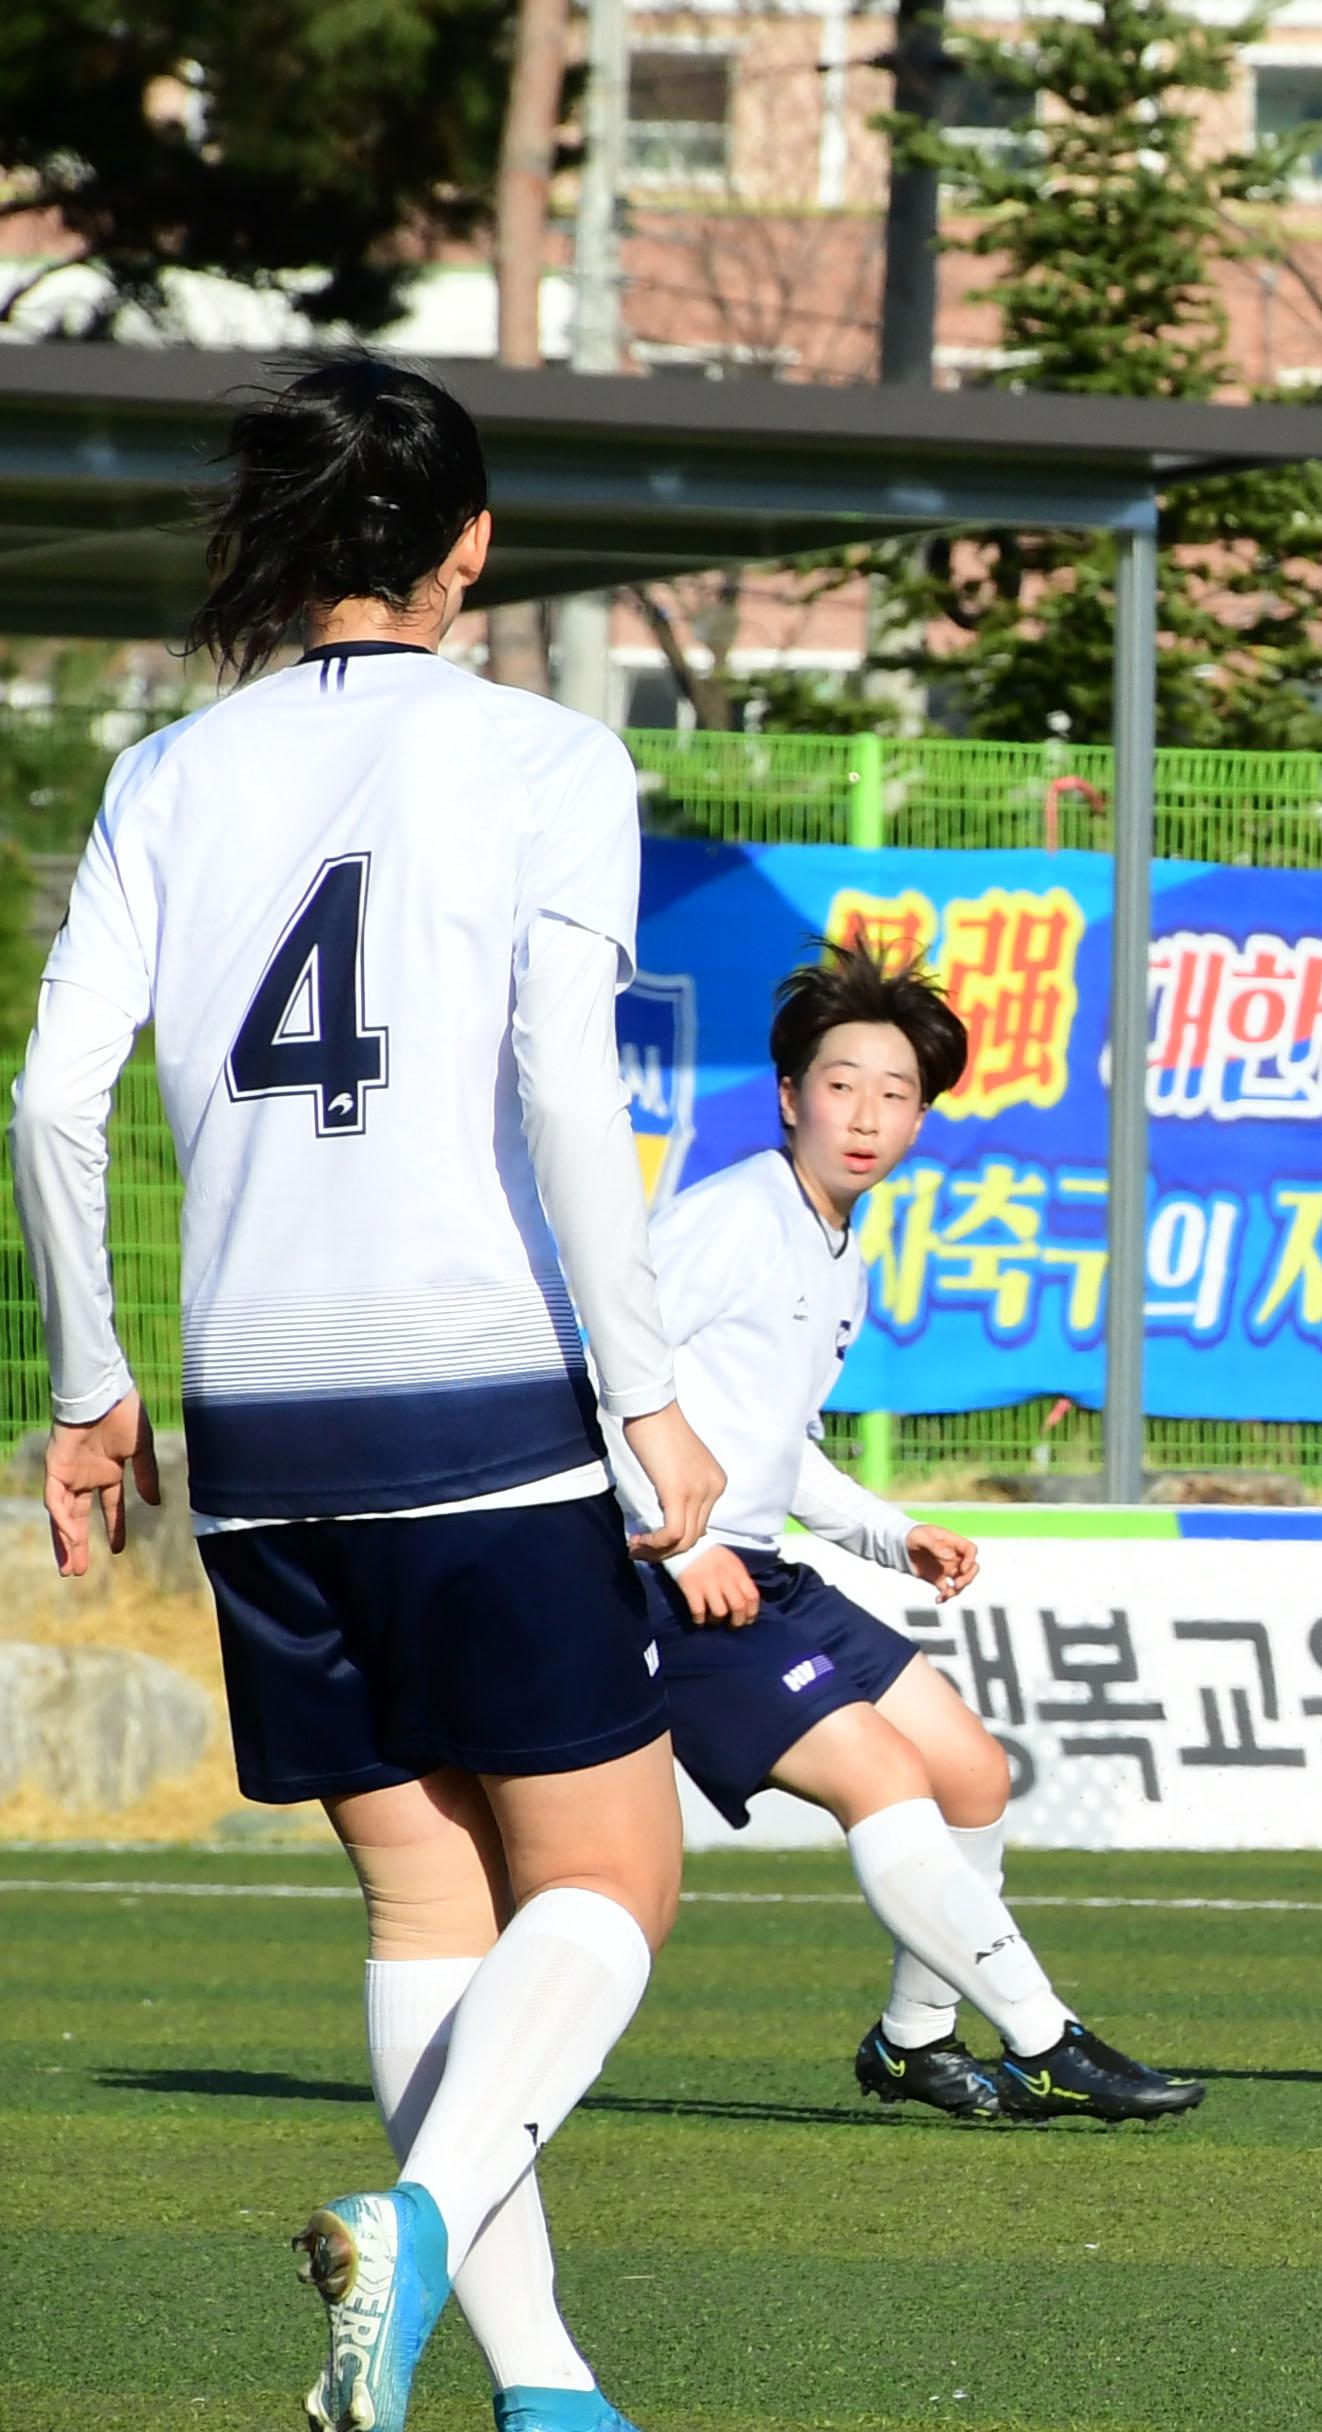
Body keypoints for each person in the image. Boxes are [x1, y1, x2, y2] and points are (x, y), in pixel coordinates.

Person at [9, 354, 726, 2432]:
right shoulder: (542, 756)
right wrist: (647, 1390)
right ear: (470, 550)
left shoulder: (166, 770)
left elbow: (54, 1096)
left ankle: (550, 2390)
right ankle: (417, 2227)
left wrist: (92, 1390)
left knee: (430, 1888)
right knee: (609, 1881)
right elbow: (563, 1088)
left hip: (253, 1414)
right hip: (475, 1379)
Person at [609, 942, 1199, 2123]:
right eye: (842, 1084)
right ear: (788, 1096)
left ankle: (914, 2039)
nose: (867, 1114)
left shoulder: (838, 1250)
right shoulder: (729, 1218)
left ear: (924, 1118)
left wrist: (891, 1534)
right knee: (881, 1772)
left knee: (972, 1771)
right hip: (668, 1582)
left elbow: (772, 1446)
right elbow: (607, 1378)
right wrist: (677, 1543)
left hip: (759, 1568)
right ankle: (1046, 2040)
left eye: (896, 1093)